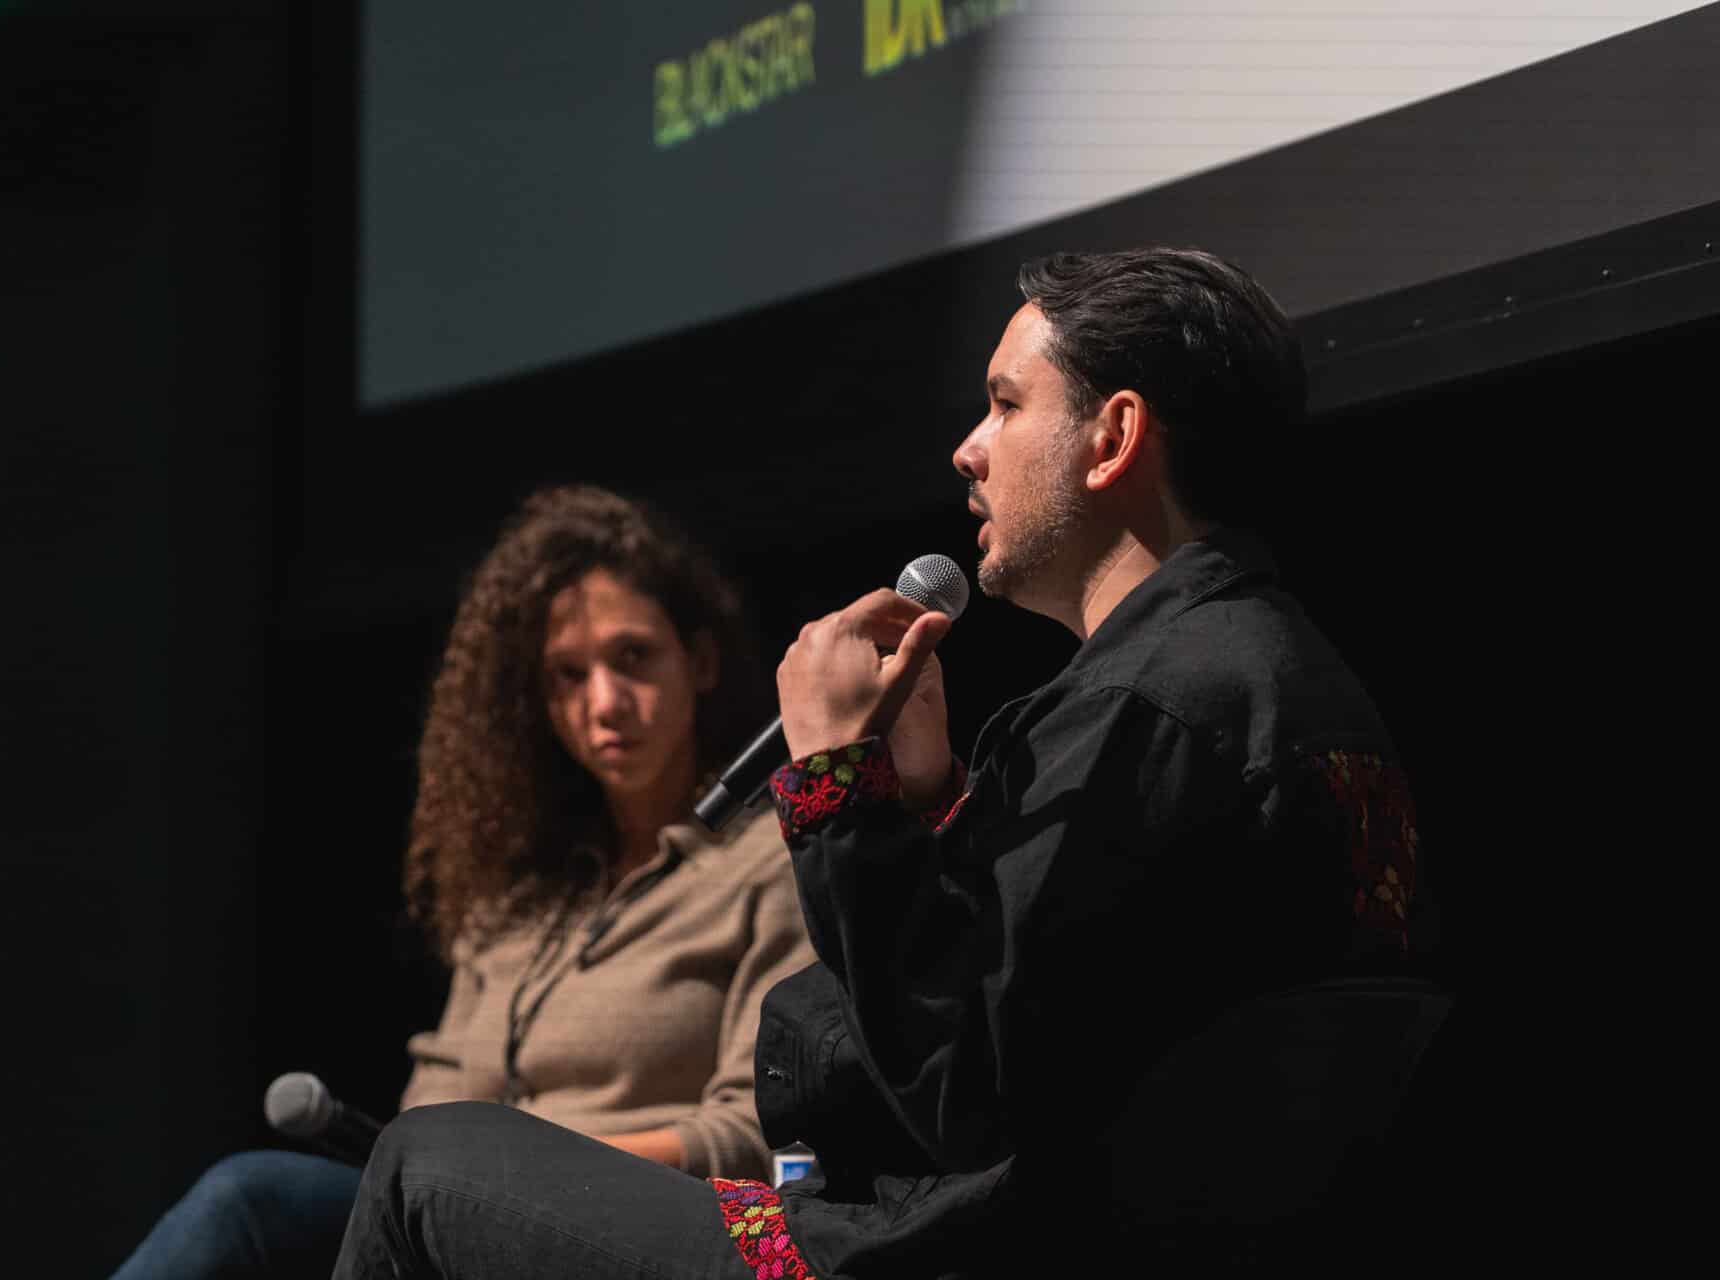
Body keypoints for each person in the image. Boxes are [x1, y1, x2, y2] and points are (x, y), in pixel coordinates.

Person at [330, 248, 1432, 1278]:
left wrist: (835, 782)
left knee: (426, 1165)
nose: (967, 446)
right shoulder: (1263, 670)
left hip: (953, 1249)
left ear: (1112, 437)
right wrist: (935, 799)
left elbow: (960, 1090)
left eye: (1006, 404)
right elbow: (1070, 1007)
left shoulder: (1151, 703)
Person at [110, 485, 814, 1279]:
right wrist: (467, 1180)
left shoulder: (768, 862)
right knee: (261, 1205)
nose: (606, 702)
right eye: (568, 676)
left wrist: (511, 1177)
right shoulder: (521, 901)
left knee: (251, 1195)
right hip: (462, 1220)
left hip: (637, 1227)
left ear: (702, 661)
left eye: (634, 657)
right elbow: (430, 1108)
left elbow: (755, 1133)